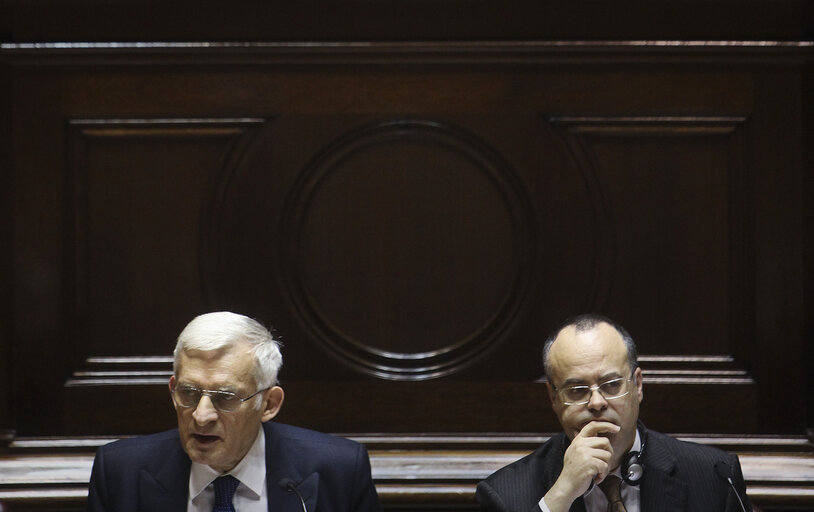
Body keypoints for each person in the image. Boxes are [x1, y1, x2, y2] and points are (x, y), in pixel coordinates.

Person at [86, 311, 381, 512]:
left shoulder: (339, 472)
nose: (202, 416)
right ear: (172, 388)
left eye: (225, 397)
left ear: (269, 404)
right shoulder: (120, 473)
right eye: (188, 393)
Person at [476, 314, 752, 512]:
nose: (596, 402)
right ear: (553, 397)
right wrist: (561, 495)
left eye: (611, 385)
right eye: (577, 390)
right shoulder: (504, 495)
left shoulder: (712, 477)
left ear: (638, 385)